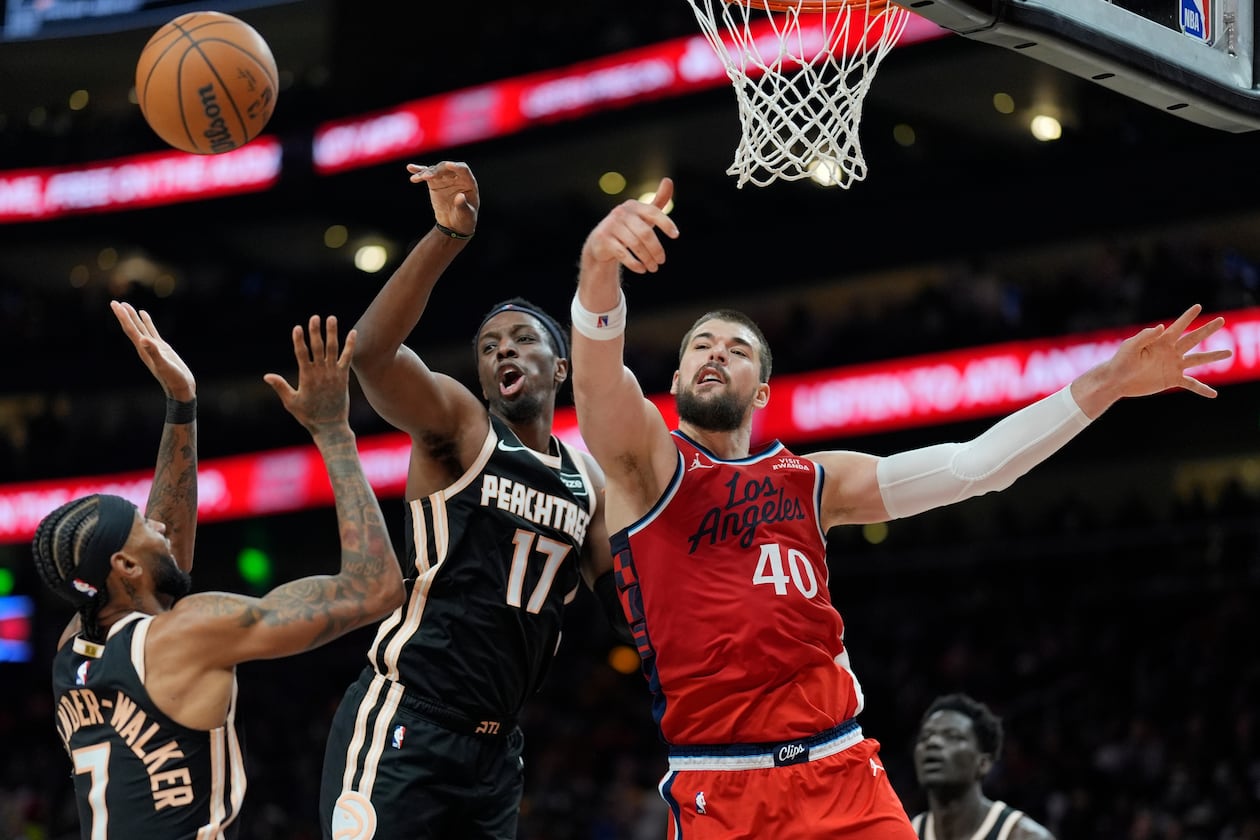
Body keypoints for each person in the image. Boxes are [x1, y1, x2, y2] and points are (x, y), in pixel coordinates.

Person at [567, 178, 1232, 839]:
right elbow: (598, 383)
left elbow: (978, 467)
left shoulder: (812, 479)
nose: (716, 353)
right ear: (678, 380)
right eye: (701, 348)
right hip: (723, 787)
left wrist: (1108, 382)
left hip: (843, 773)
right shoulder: (650, 465)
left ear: (762, 388)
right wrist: (600, 269)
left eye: (737, 350)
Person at [318, 161, 620, 840]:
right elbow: (369, 356)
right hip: (407, 718)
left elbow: (629, 612)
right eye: (487, 346)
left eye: (520, 339)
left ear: (560, 366)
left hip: (495, 750)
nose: (500, 350)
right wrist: (445, 236)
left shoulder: (586, 479)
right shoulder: (462, 427)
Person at [34, 303, 404, 840]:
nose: (159, 524)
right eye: (142, 524)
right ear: (125, 565)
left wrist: (181, 404)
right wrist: (333, 431)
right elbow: (375, 589)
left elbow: (164, 561)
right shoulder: (191, 631)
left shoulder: (74, 649)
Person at [911, 693, 1056, 840]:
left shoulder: (1024, 836)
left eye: (952, 736)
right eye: (925, 736)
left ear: (983, 763)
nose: (932, 742)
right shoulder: (904, 833)